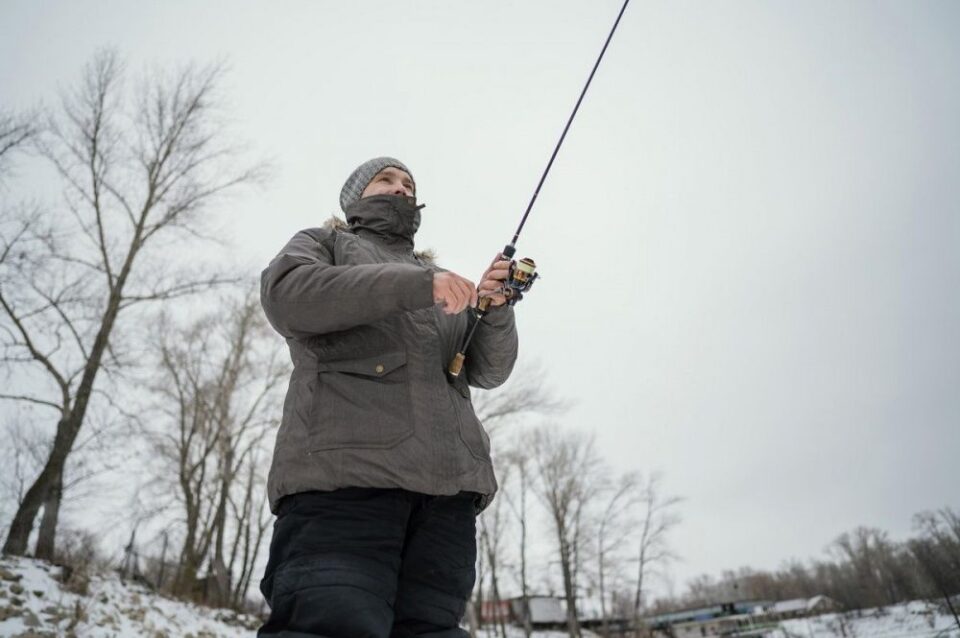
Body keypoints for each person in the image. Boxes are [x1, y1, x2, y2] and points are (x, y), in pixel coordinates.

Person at [257, 157, 518, 637]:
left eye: (409, 183)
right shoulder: (326, 244)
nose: (400, 188)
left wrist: (493, 310)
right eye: (386, 180)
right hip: (345, 487)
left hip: (447, 499)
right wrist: (419, 286)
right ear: (356, 197)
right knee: (331, 625)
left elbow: (488, 370)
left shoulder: (436, 277)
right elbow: (288, 295)